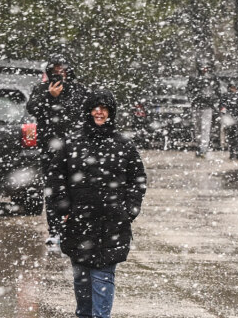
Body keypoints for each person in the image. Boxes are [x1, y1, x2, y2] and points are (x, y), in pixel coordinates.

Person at [46, 90, 146, 318]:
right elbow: (56, 176)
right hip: (78, 221)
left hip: (111, 223)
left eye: (104, 108)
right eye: (95, 107)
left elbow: (137, 180)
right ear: (88, 111)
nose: (99, 112)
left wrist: (129, 209)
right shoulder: (72, 143)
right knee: (81, 279)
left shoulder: (123, 145)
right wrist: (63, 205)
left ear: (111, 112)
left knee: (102, 276)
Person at [26, 53, 89, 246]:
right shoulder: (41, 89)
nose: (59, 74)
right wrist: (49, 96)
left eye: (63, 70)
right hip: (49, 149)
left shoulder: (79, 90)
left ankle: (74, 229)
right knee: (53, 191)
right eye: (55, 71)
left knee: (77, 190)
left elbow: (80, 113)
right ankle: (54, 231)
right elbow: (32, 108)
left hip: (75, 149)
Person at [187, 57, 220, 158]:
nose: (204, 69)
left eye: (206, 67)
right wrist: (193, 99)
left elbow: (217, 91)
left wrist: (213, 101)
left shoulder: (212, 78)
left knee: (205, 128)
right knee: (197, 128)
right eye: (202, 67)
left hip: (207, 106)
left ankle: (203, 148)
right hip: (197, 105)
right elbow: (189, 90)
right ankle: (199, 146)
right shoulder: (193, 78)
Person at [219, 82, 238, 160]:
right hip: (229, 118)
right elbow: (222, 105)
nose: (232, 89)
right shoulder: (225, 95)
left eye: (233, 87)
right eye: (231, 87)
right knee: (231, 135)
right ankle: (232, 152)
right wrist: (224, 111)